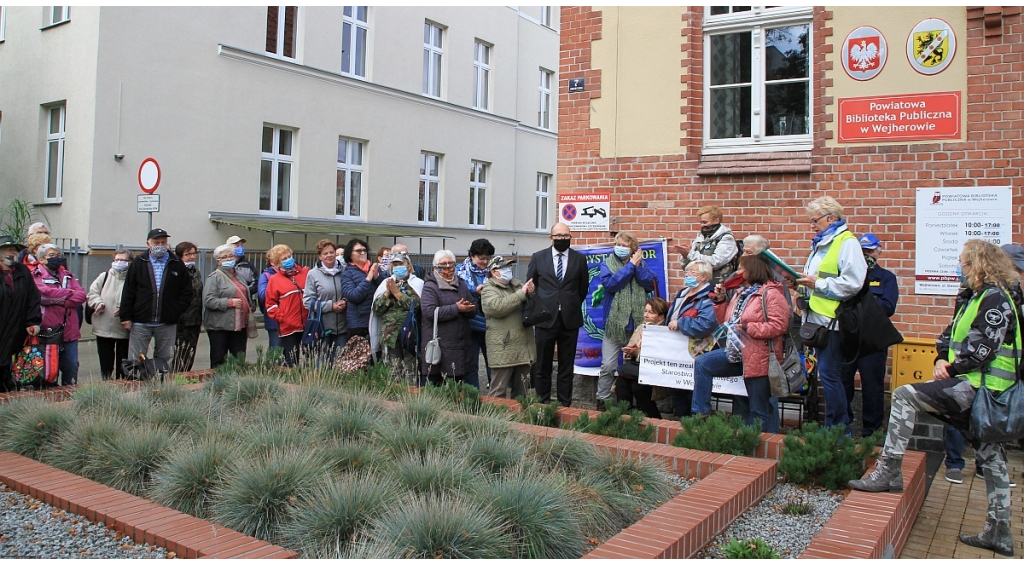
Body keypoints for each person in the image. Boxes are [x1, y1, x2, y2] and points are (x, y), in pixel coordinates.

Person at [850, 239, 1021, 557]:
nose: (960, 269)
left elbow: (984, 347)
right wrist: (943, 356)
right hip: (975, 387)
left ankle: (889, 469)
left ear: (978, 264)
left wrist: (952, 366)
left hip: (980, 388)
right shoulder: (974, 296)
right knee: (991, 457)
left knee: (903, 395)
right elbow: (948, 335)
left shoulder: (996, 298)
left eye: (963, 263)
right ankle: (999, 532)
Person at [791, 196, 866, 430]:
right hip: (818, 321)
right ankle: (833, 426)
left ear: (831, 218)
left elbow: (853, 283)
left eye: (815, 220)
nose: (812, 226)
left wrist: (818, 285)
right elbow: (816, 281)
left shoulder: (846, 242)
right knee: (827, 376)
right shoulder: (822, 244)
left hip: (834, 322)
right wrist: (798, 286)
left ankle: (838, 428)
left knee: (830, 376)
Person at [691, 255, 789, 432]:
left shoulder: (771, 293)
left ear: (753, 270)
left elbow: (779, 326)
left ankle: (765, 448)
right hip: (736, 351)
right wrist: (720, 301)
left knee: (759, 409)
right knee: (703, 363)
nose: (738, 272)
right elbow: (725, 322)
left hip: (759, 356)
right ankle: (700, 414)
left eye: (742, 269)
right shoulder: (739, 293)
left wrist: (747, 327)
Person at [837, 233, 899, 438]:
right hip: (848, 339)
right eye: (863, 252)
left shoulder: (886, 278)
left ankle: (871, 433)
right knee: (843, 383)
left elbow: (888, 307)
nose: (867, 256)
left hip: (873, 341)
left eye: (870, 251)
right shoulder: (846, 277)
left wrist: (863, 294)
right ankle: (842, 426)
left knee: (873, 387)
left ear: (879, 252)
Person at [527, 223, 590, 406]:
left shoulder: (579, 259)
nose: (562, 239)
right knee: (543, 366)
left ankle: (564, 405)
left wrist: (569, 304)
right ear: (551, 238)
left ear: (570, 236)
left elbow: (582, 288)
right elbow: (532, 285)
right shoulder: (538, 257)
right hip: (545, 319)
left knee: (566, 366)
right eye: (558, 235)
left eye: (565, 235)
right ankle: (542, 404)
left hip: (569, 320)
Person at [597, 231, 656, 409]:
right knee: (608, 366)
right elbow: (611, 285)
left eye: (625, 246)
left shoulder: (641, 265)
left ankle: (629, 405)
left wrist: (637, 267)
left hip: (636, 325)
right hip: (615, 325)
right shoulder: (607, 264)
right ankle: (603, 401)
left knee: (631, 368)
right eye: (618, 245)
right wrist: (630, 266)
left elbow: (649, 284)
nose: (621, 248)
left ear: (633, 249)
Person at [120, 228, 194, 368]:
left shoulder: (176, 263)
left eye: (163, 242)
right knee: (136, 360)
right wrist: (126, 316)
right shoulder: (139, 262)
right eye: (156, 242)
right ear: (148, 244)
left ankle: (162, 385)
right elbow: (129, 290)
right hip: (141, 320)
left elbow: (186, 291)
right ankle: (138, 384)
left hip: (167, 321)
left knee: (165, 359)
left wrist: (176, 310)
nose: (160, 245)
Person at [666, 259, 719, 417]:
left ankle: (694, 424)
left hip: (697, 349)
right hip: (677, 348)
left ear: (703, 277)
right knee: (676, 389)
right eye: (687, 272)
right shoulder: (683, 293)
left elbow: (706, 323)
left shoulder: (708, 296)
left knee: (692, 389)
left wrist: (681, 323)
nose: (687, 275)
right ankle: (682, 422)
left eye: (692, 272)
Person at [480, 255, 536, 399]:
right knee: (498, 391)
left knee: (521, 392)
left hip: (522, 347)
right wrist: (522, 294)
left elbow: (531, 307)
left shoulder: (516, 285)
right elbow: (498, 307)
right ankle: (494, 419)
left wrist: (532, 293)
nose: (508, 270)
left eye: (509, 267)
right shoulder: (488, 289)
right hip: (503, 348)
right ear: (494, 271)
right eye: (504, 267)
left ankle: (518, 420)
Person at [32, 243, 87, 386]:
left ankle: (69, 398)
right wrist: (69, 293)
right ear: (42, 259)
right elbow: (43, 294)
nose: (56, 258)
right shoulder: (35, 276)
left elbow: (81, 295)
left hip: (69, 330)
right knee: (49, 371)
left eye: (58, 255)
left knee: (71, 366)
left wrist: (64, 302)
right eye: (52, 255)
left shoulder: (68, 276)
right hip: (48, 331)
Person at [420, 249, 477, 386]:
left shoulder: (461, 284)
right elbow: (429, 312)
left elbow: (473, 307)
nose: (447, 268)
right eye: (443, 264)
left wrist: (469, 308)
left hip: (460, 345)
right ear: (435, 267)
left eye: (450, 264)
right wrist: (456, 308)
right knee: (435, 387)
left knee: (457, 386)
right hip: (439, 344)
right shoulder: (430, 287)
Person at [370, 252, 424, 385]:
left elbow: (416, 306)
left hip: (410, 337)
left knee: (410, 372)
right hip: (390, 337)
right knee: (392, 373)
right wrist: (387, 293)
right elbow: (377, 309)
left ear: (409, 266)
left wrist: (397, 293)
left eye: (401, 264)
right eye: (395, 265)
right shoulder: (385, 284)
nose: (398, 267)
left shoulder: (417, 284)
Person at [616, 297, 670, 419]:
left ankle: (653, 419)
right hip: (635, 369)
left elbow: (659, 357)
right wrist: (629, 351)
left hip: (653, 370)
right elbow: (629, 348)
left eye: (651, 312)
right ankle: (624, 418)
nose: (646, 315)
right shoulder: (641, 327)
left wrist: (638, 353)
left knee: (638, 387)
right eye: (645, 311)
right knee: (621, 384)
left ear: (661, 316)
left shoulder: (664, 332)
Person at [0, 236, 42, 393]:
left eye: (15, 250)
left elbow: (33, 297)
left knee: (9, 365)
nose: (13, 253)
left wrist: (33, 321)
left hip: (16, 328)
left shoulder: (22, 271)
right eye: (8, 250)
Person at [203, 244, 251, 368]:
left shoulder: (239, 275)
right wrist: (229, 302)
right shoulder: (214, 277)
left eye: (231, 256)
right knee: (219, 360)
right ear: (218, 261)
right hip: (220, 326)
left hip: (240, 326)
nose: (229, 259)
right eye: (224, 257)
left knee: (239, 360)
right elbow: (208, 301)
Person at [456, 238, 495, 389]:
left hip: (490, 325)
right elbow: (457, 292)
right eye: (481, 258)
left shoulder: (494, 271)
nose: (485, 262)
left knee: (493, 364)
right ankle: (472, 396)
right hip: (470, 325)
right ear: (472, 255)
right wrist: (474, 291)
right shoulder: (460, 271)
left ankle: (496, 398)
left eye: (488, 258)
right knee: (470, 364)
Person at [87, 249, 132, 379]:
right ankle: (107, 385)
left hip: (123, 328)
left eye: (123, 260)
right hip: (103, 327)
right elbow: (92, 293)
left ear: (130, 262)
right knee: (106, 365)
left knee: (122, 365)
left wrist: (125, 310)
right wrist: (98, 303)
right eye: (117, 260)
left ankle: (120, 385)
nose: (119, 263)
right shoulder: (104, 276)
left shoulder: (132, 278)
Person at [303, 239, 349, 363]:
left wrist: (345, 301)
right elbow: (307, 301)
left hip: (342, 327)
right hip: (322, 328)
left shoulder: (344, 270)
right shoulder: (313, 274)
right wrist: (330, 306)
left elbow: (349, 291)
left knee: (339, 365)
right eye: (325, 253)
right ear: (320, 256)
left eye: (331, 252)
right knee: (322, 364)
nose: (329, 255)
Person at [264, 244, 309, 366]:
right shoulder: (275, 280)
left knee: (310, 358)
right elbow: (270, 304)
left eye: (289, 256)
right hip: (289, 328)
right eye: (284, 259)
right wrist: (283, 318)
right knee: (291, 360)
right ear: (277, 263)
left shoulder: (306, 273)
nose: (288, 260)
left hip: (308, 324)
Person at [672, 205, 739, 284]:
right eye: (700, 222)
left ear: (716, 220)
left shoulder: (726, 239)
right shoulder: (700, 237)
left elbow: (715, 262)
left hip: (718, 287)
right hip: (699, 286)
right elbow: (688, 267)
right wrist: (685, 256)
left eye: (705, 222)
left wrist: (690, 254)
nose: (702, 225)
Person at [339, 238, 384, 339]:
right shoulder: (347, 273)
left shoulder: (373, 268)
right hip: (359, 323)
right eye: (359, 251)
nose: (363, 253)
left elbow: (383, 288)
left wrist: (376, 276)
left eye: (364, 250)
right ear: (350, 254)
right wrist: (368, 278)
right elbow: (354, 296)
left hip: (377, 319)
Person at [172, 242, 204, 373]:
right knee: (178, 353)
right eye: (187, 254)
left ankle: (185, 375)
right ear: (180, 256)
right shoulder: (176, 271)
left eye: (193, 253)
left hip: (194, 319)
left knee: (190, 352)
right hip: (181, 320)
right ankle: (174, 378)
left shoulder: (195, 271)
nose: (192, 257)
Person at [257, 250, 281, 350]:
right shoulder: (266, 276)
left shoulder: (291, 274)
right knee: (276, 349)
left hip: (290, 319)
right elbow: (262, 295)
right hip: (274, 319)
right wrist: (281, 289)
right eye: (282, 259)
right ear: (272, 262)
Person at [226, 235, 258, 308]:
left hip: (245, 304)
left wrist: (245, 291)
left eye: (241, 245)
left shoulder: (249, 265)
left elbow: (256, 283)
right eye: (237, 245)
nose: (240, 248)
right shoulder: (223, 265)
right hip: (228, 305)